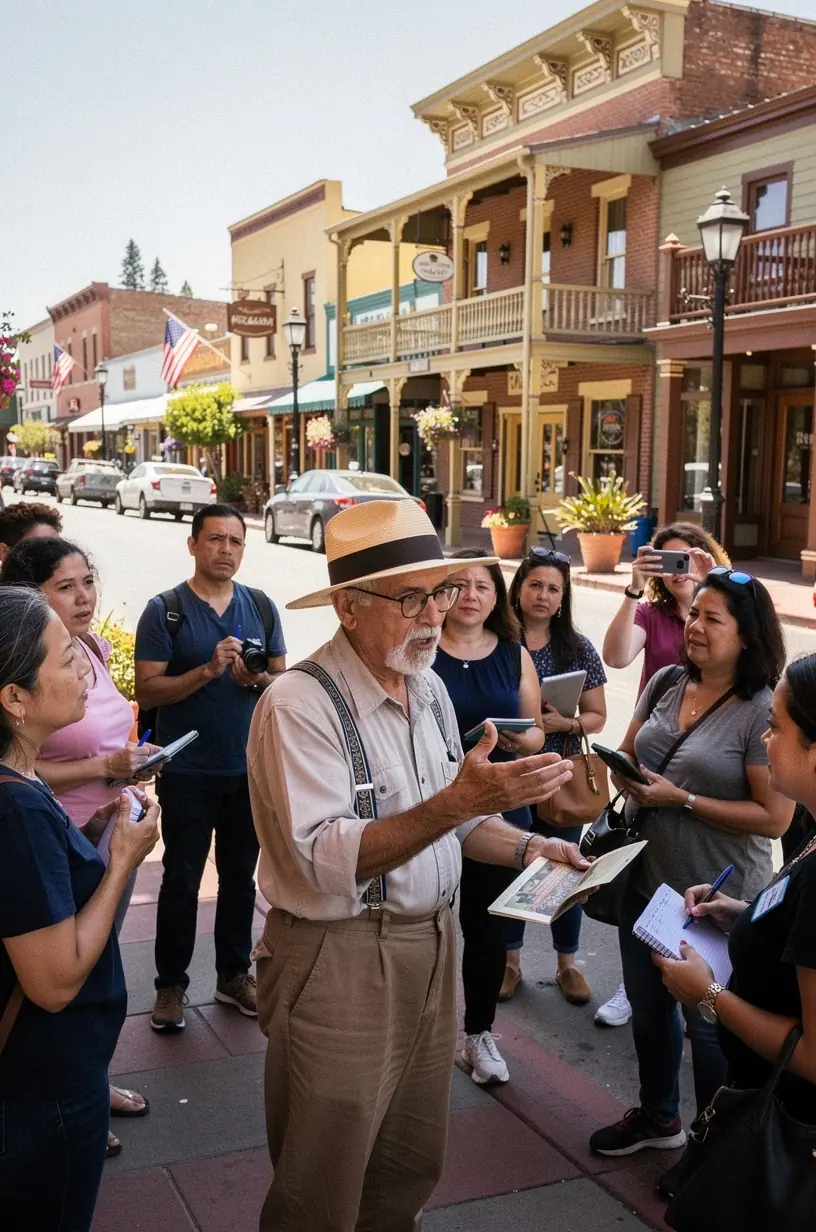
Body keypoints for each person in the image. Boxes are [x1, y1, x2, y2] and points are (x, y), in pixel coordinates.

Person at [248, 500, 589, 1232]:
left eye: (438, 592)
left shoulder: (428, 688)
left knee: (407, 1166)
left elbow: (458, 823)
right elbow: (323, 857)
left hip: (433, 944)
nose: (434, 615)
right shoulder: (298, 703)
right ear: (347, 607)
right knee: (322, 1180)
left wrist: (533, 848)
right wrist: (457, 803)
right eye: (409, 598)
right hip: (338, 959)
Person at [589, 568, 793, 1178]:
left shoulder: (763, 710)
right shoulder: (665, 681)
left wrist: (681, 800)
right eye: (693, 613)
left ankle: (713, 1149)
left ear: (748, 635)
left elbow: (775, 818)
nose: (694, 626)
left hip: (716, 898)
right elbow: (631, 750)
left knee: (710, 1032)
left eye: (711, 619)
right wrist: (620, 772)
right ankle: (659, 1118)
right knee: (650, 1011)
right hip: (643, 882)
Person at [0, 586, 159, 1231]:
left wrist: (89, 835)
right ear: (15, 698)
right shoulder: (17, 808)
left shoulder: (21, 781)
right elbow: (55, 981)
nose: (85, 669)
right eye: (65, 658)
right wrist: (122, 861)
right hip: (41, 1089)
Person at [655, 653, 816, 1181]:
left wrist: (707, 995)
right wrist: (741, 915)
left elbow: (814, 1055)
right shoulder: (810, 834)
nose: (765, 741)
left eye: (775, 727)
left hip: (787, 1129)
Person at [135, 504, 287, 1030]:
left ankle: (232, 976)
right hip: (188, 772)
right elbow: (147, 689)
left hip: (247, 769)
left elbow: (282, 686)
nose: (225, 549)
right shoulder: (166, 610)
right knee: (180, 878)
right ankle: (170, 986)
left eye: (235, 542)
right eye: (216, 539)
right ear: (194, 544)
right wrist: (206, 670)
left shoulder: (262, 606)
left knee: (241, 879)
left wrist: (253, 680)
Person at [598, 523, 729, 1029]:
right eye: (665, 562)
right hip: (654, 749)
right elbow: (615, 655)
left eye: (685, 561)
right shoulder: (650, 615)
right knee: (646, 905)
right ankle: (635, 989)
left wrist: (708, 584)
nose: (677, 573)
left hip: (706, 763)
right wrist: (632, 587)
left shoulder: (724, 616)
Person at [432, 548, 545, 1086]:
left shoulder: (514, 653)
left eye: (483, 586)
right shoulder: (421, 649)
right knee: (423, 922)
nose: (472, 596)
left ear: (496, 596)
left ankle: (478, 1034)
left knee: (488, 927)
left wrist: (527, 738)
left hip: (501, 805)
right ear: (442, 593)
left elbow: (540, 728)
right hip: (431, 802)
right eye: (460, 585)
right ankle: (420, 1030)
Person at [502, 546, 607, 1005]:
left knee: (564, 870)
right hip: (509, 774)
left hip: (560, 775)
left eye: (553, 589)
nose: (543, 596)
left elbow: (598, 714)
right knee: (510, 868)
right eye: (535, 585)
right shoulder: (498, 640)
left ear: (563, 598)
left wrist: (568, 724)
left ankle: (567, 964)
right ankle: (510, 961)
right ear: (519, 589)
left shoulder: (577, 647)